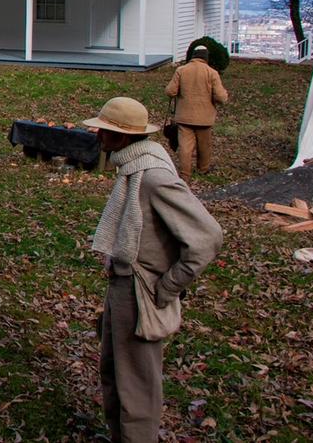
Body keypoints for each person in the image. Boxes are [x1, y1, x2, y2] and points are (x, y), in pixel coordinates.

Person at [81, 96, 223, 441]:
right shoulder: (132, 167)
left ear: (124, 138)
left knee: (137, 385)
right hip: (122, 284)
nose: (99, 137)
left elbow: (207, 236)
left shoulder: (153, 177)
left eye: (106, 131)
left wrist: (169, 285)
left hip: (141, 290)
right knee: (114, 372)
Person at [165, 46, 229, 180]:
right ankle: (203, 169)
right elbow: (221, 97)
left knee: (185, 147)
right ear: (206, 57)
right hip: (205, 118)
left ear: (193, 55)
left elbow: (170, 91)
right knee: (204, 146)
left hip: (184, 117)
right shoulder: (212, 73)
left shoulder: (181, 70)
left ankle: (185, 174)